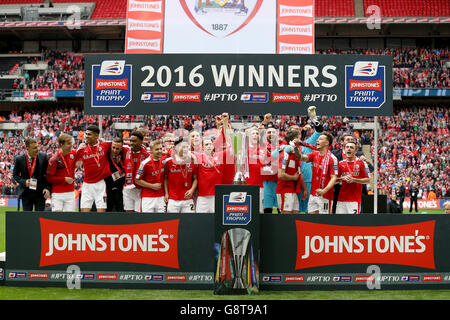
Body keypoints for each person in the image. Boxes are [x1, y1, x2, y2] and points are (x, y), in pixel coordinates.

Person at [300, 132, 338, 214]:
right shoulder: (314, 154)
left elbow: (334, 178)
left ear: (327, 143)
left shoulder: (332, 158)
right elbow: (301, 158)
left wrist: (324, 190)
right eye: (317, 139)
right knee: (311, 220)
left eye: (320, 139)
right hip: (313, 194)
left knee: (323, 221)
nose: (317, 140)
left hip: (325, 195)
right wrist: (295, 148)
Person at [75, 125, 111, 212]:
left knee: (101, 212)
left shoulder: (105, 146)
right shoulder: (82, 149)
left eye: (89, 134)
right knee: (84, 212)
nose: (86, 136)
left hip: (101, 184)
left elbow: (120, 144)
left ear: (96, 136)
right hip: (87, 185)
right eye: (86, 134)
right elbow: (74, 164)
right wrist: (78, 150)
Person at [13, 137, 51, 211]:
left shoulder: (43, 157)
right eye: (34, 148)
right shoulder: (19, 159)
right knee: (27, 219)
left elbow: (48, 175)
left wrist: (47, 188)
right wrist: (24, 182)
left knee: (40, 219)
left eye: (37, 147)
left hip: (40, 193)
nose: (37, 149)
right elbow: (15, 175)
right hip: (26, 193)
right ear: (27, 149)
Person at [335, 141, 370, 214]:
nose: (349, 149)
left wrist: (354, 180)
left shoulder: (362, 163)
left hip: (354, 200)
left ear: (355, 151)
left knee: (353, 224)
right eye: (347, 147)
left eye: (351, 147)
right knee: (340, 224)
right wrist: (342, 178)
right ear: (344, 150)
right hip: (341, 200)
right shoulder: (340, 164)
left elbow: (368, 180)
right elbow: (334, 180)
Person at [164, 138, 198, 213]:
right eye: (183, 147)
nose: (185, 149)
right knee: (172, 223)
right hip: (173, 199)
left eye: (187, 147)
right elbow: (165, 179)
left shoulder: (192, 161)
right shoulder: (168, 162)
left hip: (188, 200)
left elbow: (195, 179)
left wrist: (192, 190)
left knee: (189, 222)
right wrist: (166, 193)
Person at [276, 130, 307, 213]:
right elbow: (280, 175)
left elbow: (299, 174)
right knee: (286, 217)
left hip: (293, 190)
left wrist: (305, 189)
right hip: (284, 190)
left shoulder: (296, 155)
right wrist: (293, 177)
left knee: (295, 215)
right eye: (298, 138)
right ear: (292, 140)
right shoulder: (285, 154)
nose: (300, 140)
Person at [46, 133, 76, 212]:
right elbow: (49, 178)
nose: (71, 145)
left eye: (71, 143)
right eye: (68, 143)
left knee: (69, 221)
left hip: (70, 192)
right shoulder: (54, 159)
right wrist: (64, 179)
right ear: (61, 144)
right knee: (57, 219)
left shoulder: (73, 154)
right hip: (57, 194)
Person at [135, 139, 166, 213]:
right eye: (157, 149)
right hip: (148, 197)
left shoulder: (164, 162)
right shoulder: (145, 163)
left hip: (161, 197)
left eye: (161, 149)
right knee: (147, 221)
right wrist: (152, 186)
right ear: (151, 151)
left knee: (162, 222)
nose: (159, 151)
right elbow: (137, 180)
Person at [122, 131, 150, 212]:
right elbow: (114, 143)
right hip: (128, 188)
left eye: (134, 141)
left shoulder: (147, 155)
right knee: (129, 213)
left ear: (141, 142)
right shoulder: (126, 151)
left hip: (140, 189)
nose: (131, 143)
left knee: (138, 215)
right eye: (130, 141)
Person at [195, 138, 223, 213]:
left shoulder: (219, 156)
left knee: (216, 220)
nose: (209, 146)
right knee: (201, 219)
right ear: (203, 147)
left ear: (213, 146)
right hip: (202, 196)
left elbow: (230, 150)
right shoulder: (198, 157)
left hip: (216, 195)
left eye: (210, 144)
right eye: (206, 144)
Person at [104, 136, 126, 212]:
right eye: (113, 147)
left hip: (121, 188)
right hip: (108, 186)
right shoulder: (106, 153)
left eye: (117, 148)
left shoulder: (125, 155)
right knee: (108, 209)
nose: (115, 150)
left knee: (120, 210)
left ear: (121, 148)